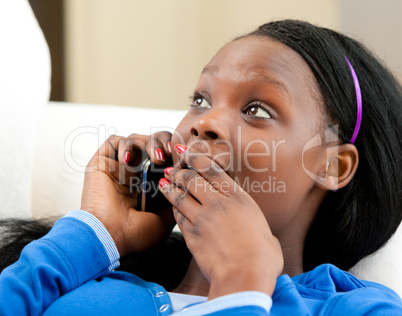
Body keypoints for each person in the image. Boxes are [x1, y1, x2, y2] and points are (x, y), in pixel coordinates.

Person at [0, 19, 401, 315]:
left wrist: (242, 283)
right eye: (201, 100)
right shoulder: (79, 281)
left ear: (332, 165)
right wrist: (97, 233)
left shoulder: (357, 308)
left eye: (256, 109)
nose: (202, 122)